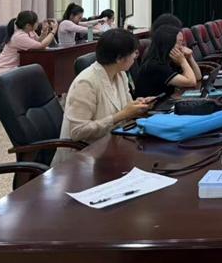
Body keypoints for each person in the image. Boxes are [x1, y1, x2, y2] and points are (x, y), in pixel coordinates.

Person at [53, 29, 156, 165]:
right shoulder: (86, 83)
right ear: (119, 58)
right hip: (81, 159)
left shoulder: (120, 74)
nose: (135, 57)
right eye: (133, 53)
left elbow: (125, 108)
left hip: (110, 147)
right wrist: (121, 115)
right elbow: (78, 132)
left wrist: (138, 106)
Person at [133, 25, 201, 98]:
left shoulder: (170, 61)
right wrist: (183, 61)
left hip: (166, 101)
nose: (182, 47)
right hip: (155, 104)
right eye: (179, 42)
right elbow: (191, 82)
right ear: (168, 44)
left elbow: (198, 77)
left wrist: (190, 57)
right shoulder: (155, 66)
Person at [0, 11, 57, 76]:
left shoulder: (30, 31)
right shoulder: (19, 36)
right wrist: (53, 31)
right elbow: (41, 45)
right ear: (28, 25)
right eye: (36, 22)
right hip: (2, 70)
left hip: (12, 69)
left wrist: (44, 31)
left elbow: (38, 42)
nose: (38, 23)